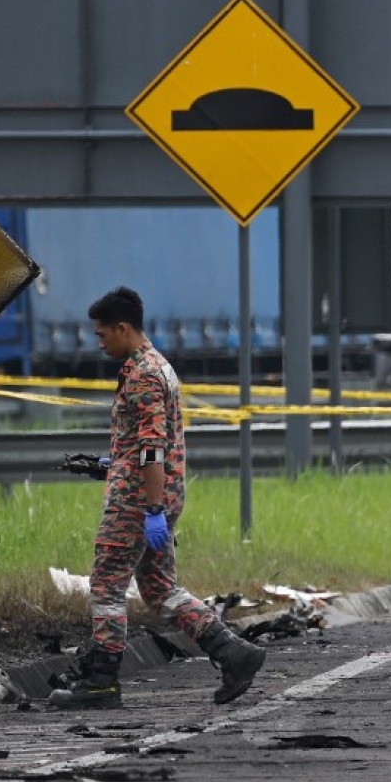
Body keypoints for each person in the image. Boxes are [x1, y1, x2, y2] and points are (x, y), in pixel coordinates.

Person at [47, 286, 266, 710]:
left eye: (102, 334)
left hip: (138, 500)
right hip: (153, 491)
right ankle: (233, 652)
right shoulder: (156, 366)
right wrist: (111, 463)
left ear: (123, 328)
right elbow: (145, 445)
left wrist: (151, 509)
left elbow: (152, 448)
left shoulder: (144, 375)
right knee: (161, 589)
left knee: (107, 584)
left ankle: (101, 682)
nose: (99, 341)